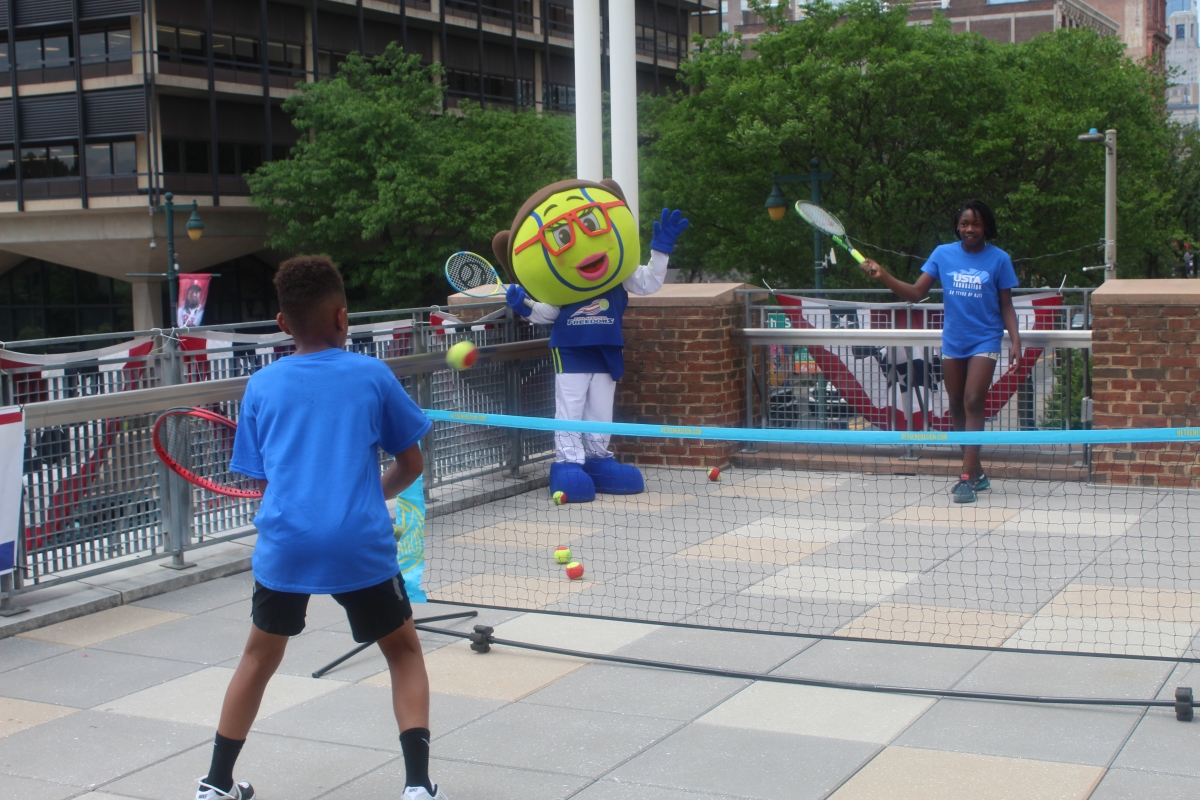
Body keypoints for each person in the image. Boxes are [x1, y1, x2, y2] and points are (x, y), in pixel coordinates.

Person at [196, 256, 446, 800]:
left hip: (287, 543)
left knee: (258, 659)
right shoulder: (372, 375)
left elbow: (265, 476)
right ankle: (418, 788)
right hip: (358, 543)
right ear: (342, 317)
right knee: (403, 653)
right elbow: (411, 465)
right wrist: (363, 499)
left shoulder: (261, 386)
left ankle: (215, 786)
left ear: (283, 325)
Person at [860, 199, 1020, 503]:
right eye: (964, 223)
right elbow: (916, 293)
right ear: (957, 226)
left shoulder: (999, 259)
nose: (969, 229)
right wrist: (883, 276)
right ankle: (978, 472)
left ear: (986, 226)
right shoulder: (942, 254)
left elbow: (1007, 305)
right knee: (956, 405)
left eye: (975, 223)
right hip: (953, 341)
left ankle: (965, 478)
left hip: (985, 339)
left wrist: (1015, 340)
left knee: (974, 400)